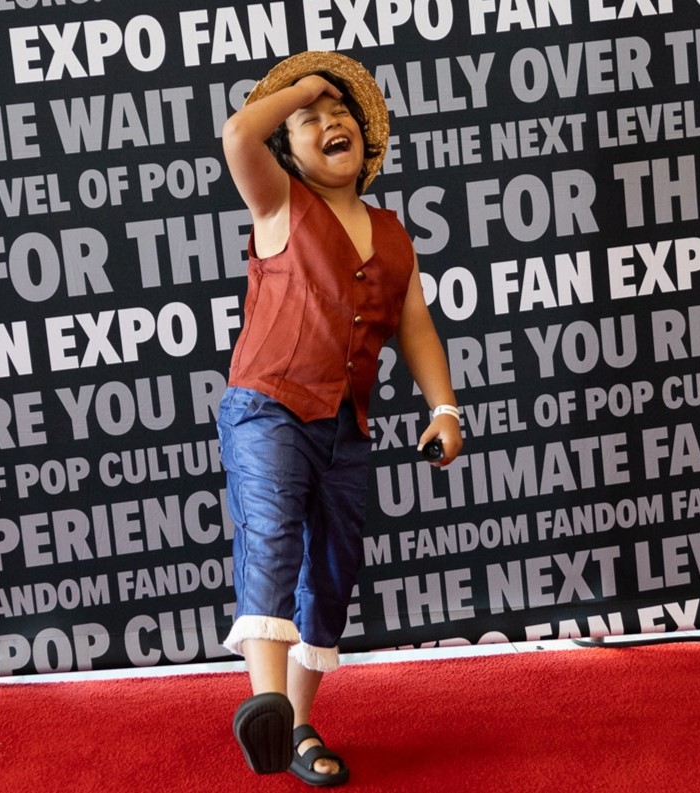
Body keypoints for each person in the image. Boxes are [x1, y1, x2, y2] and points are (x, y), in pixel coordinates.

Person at [217, 50, 463, 787]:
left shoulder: (393, 233)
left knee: (332, 569)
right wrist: (302, 85)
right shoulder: (278, 204)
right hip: (267, 404)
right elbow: (236, 137)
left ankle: (293, 724)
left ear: (365, 141)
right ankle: (262, 698)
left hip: (344, 425)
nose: (328, 120)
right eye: (307, 121)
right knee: (272, 527)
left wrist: (443, 406)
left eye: (339, 114)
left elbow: (414, 327)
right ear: (285, 153)